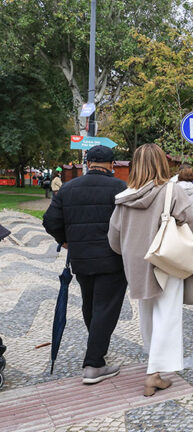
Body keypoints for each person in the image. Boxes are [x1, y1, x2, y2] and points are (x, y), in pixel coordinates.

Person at [108, 143, 193, 397]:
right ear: (162, 162)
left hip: (136, 263)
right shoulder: (172, 190)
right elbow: (190, 223)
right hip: (165, 259)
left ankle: (153, 367)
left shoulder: (124, 196)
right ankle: (153, 374)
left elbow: (114, 237)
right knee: (167, 316)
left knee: (147, 315)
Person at [42, 145, 127, 385]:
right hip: (112, 258)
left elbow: (49, 221)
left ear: (87, 163)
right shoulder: (119, 188)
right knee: (106, 308)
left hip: (81, 258)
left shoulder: (68, 188)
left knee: (90, 304)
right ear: (111, 165)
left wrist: (65, 240)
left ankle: (96, 347)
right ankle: (94, 364)